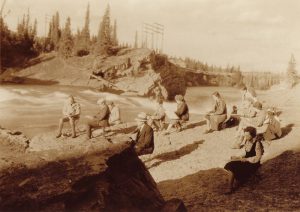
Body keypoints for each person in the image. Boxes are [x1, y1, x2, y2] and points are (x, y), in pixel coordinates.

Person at [224, 126, 264, 193]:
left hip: (253, 163)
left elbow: (258, 157)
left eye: (247, 135)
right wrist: (237, 157)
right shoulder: (247, 141)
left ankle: (230, 188)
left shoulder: (257, 143)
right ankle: (232, 184)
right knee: (230, 164)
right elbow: (246, 152)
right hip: (246, 160)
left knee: (233, 167)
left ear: (252, 135)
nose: (246, 137)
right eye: (245, 135)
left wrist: (246, 159)